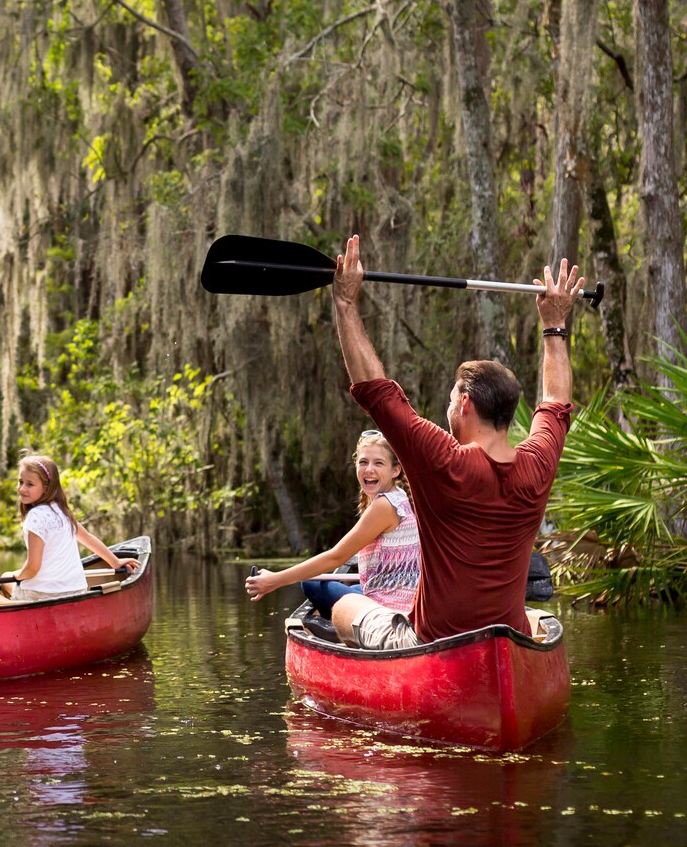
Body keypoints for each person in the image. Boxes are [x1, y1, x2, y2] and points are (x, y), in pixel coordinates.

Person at [322, 236, 581, 650]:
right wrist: (555, 325)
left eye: (448, 400)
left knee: (345, 607)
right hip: (504, 638)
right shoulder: (538, 463)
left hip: (432, 644)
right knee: (539, 617)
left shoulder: (441, 460)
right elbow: (556, 403)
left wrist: (346, 304)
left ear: (464, 404)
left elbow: (375, 390)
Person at [243, 429, 418, 620]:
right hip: (397, 595)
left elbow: (336, 557)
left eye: (378, 463)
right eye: (363, 462)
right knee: (349, 587)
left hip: (391, 607)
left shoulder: (384, 505)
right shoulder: (399, 496)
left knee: (310, 584)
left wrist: (274, 580)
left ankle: (340, 627)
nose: (369, 469)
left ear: (395, 470)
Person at [2, 455, 141, 601]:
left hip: (43, 594)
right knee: (14, 577)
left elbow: (32, 568)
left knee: (5, 578)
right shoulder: (63, 511)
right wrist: (115, 562)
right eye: (20, 482)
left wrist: (17, 576)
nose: (22, 488)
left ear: (46, 488)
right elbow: (87, 538)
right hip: (76, 590)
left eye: (30, 484)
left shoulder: (35, 516)